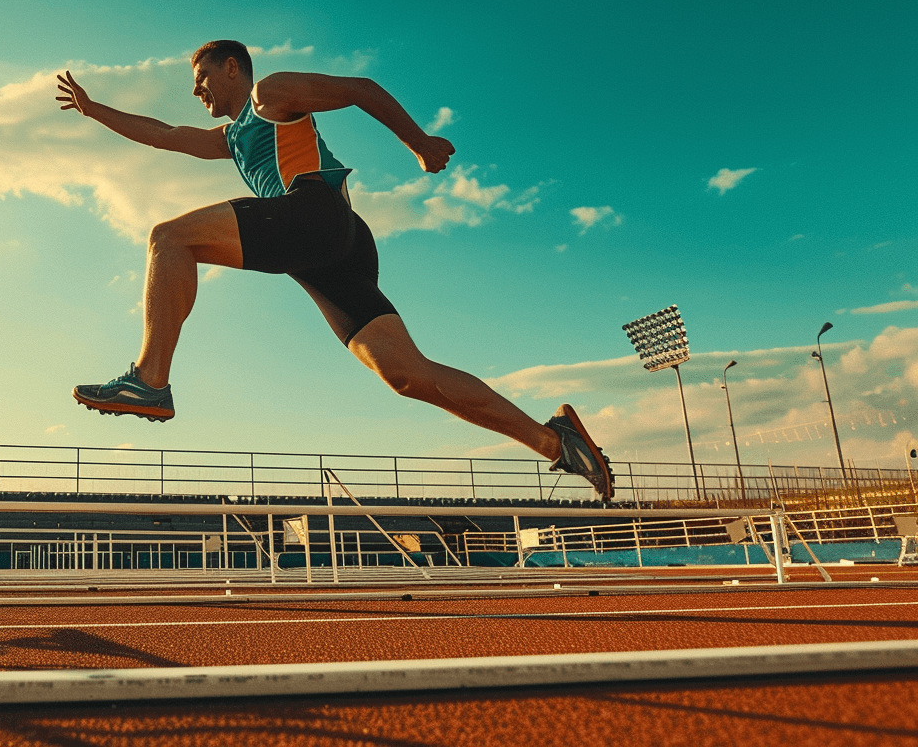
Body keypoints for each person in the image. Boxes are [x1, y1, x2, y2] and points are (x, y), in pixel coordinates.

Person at [55, 40, 614, 499]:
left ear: (233, 68)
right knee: (406, 374)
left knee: (169, 238)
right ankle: (555, 442)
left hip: (315, 212)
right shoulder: (231, 137)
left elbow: (359, 90)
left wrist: (418, 143)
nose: (196, 89)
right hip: (332, 250)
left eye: (201, 76)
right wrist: (92, 108)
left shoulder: (269, 94)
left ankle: (150, 380)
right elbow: (163, 135)